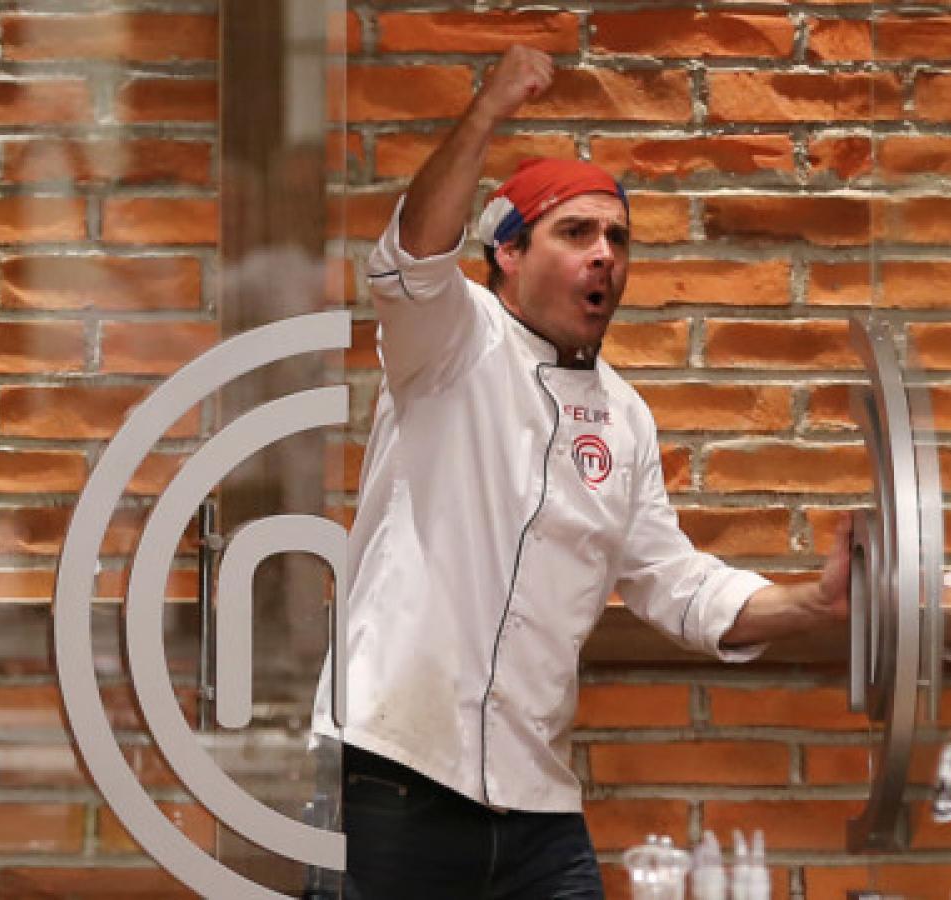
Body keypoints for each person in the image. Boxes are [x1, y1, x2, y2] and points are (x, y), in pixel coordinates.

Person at [309, 45, 854, 899]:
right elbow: (411, 258)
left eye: (618, 238)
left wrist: (813, 603)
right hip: (398, 775)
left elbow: (675, 583)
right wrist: (486, 110)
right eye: (576, 233)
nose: (605, 254)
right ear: (508, 253)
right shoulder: (452, 340)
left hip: (537, 802)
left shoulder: (625, 416)